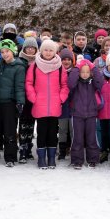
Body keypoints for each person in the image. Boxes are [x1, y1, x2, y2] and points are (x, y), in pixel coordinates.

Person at [25, 39, 70, 169]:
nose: (48, 52)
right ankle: (41, 158)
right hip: (40, 105)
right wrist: (34, 98)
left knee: (52, 133)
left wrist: (61, 98)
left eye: (51, 50)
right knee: (41, 132)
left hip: (55, 105)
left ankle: (51, 158)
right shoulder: (34, 66)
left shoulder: (60, 66)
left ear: (55, 52)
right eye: (46, 49)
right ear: (41, 50)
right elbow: (29, 83)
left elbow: (64, 85)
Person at [67, 58, 105, 169]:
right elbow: (70, 83)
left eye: (87, 72)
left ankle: (93, 159)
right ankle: (77, 160)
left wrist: (93, 67)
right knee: (77, 138)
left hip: (92, 114)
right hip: (77, 114)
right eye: (82, 72)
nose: (84, 74)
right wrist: (77, 67)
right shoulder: (76, 83)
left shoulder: (93, 82)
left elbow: (100, 82)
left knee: (91, 138)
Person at [16, 37, 38, 163]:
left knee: (31, 124)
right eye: (28, 47)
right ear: (24, 48)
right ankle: (22, 150)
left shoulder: (39, 62)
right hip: (23, 97)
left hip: (34, 98)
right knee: (23, 124)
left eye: (32, 48)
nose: (30, 50)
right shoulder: (20, 61)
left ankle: (29, 148)